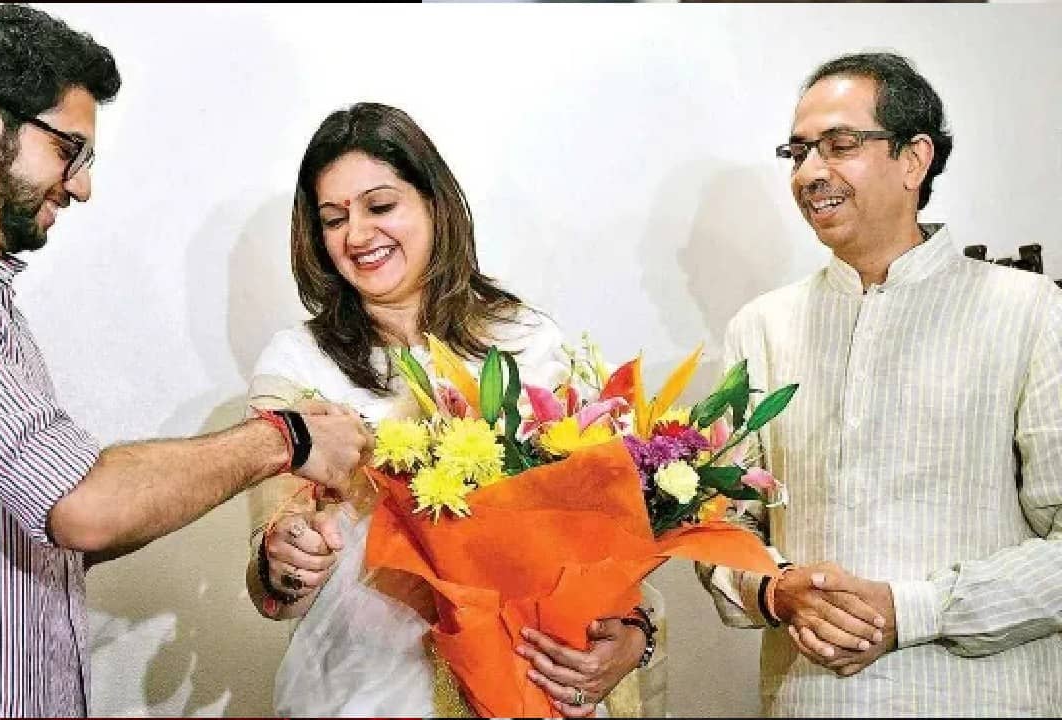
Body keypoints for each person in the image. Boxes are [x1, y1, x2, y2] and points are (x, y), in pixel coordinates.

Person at [0, 5, 371, 716]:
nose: (81, 185)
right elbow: (81, 507)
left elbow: (39, 525)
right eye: (70, 149)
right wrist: (287, 438)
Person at [243, 102, 660, 718]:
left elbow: (602, 536)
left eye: (380, 206)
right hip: (362, 689)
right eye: (334, 219)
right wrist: (285, 561)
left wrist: (633, 634)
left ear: (435, 204)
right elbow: (272, 586)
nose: (357, 235)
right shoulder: (298, 364)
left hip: (526, 682)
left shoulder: (526, 341)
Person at [699, 51, 1062, 716]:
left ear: (914, 159)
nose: (810, 173)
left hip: (983, 700)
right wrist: (776, 591)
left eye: (839, 145)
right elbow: (719, 525)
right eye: (798, 152)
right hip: (808, 699)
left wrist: (910, 610)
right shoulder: (761, 328)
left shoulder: (1030, 312)